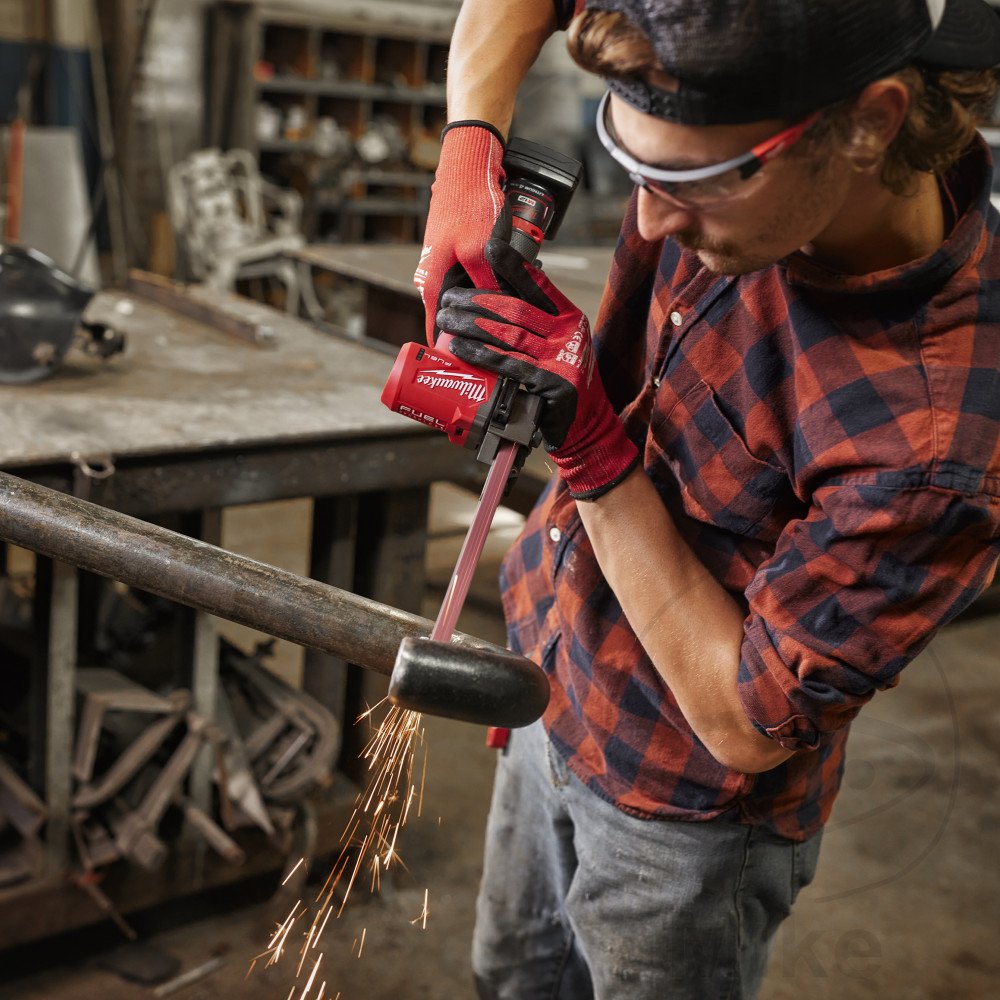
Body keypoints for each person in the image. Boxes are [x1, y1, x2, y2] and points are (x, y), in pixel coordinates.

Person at [417, 1, 1000, 997]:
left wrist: (589, 446)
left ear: (869, 123)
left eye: (693, 182)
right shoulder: (732, 38)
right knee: (510, 979)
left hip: (676, 820)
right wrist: (468, 151)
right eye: (635, 167)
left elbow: (743, 722)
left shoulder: (933, 440)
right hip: (554, 665)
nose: (649, 223)